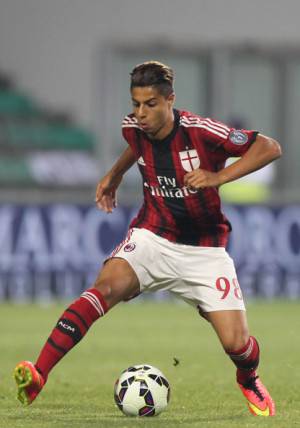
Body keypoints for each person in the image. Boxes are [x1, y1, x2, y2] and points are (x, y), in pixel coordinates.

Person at [14, 61, 281, 416]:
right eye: (135, 104)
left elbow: (269, 147)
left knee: (237, 344)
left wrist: (218, 178)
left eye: (150, 104)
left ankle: (248, 379)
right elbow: (136, 145)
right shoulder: (133, 127)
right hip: (152, 236)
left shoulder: (201, 133)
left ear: (171, 100)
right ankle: (39, 373)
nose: (140, 113)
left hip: (204, 250)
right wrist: (114, 174)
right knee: (103, 288)